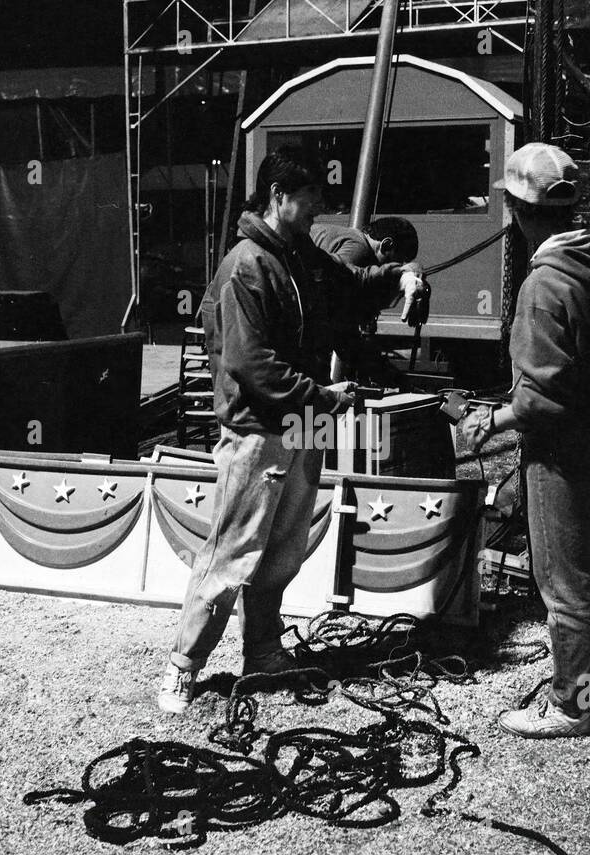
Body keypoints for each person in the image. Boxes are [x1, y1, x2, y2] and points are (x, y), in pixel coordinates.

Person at [158, 147, 422, 714]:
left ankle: (263, 652)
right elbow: (251, 364)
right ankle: (183, 667)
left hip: (304, 423)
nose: (317, 215)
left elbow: (352, 282)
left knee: (282, 552)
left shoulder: (298, 253)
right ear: (278, 196)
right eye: (309, 204)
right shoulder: (247, 265)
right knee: (233, 552)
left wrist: (402, 274)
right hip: (260, 429)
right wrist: (321, 396)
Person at [457, 142, 590, 738]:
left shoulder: (544, 287)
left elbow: (541, 398)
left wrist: (491, 421)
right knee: (585, 571)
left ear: (516, 210)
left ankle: (574, 706)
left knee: (562, 582)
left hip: (562, 455)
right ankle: (589, 684)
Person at [311, 217, 421, 380]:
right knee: (313, 393)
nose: (399, 265)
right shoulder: (359, 249)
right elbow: (337, 318)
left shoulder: (351, 238)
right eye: (399, 260)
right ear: (386, 245)